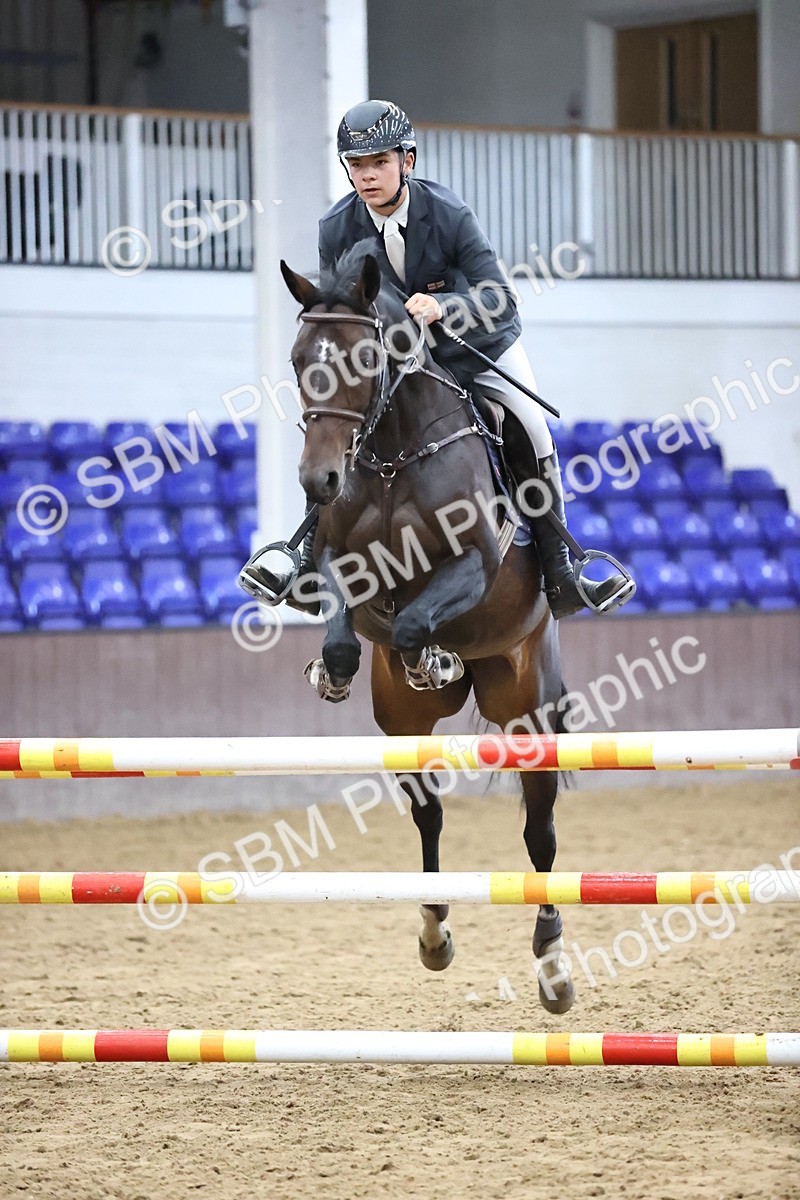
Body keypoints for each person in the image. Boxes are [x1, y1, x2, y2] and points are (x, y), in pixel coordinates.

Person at [243, 99, 634, 620]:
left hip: (474, 346)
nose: (366, 175)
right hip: (397, 359)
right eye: (356, 165)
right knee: (335, 428)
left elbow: (500, 297)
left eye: (379, 162)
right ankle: (307, 562)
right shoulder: (336, 226)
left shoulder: (448, 214)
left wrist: (444, 305)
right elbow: (340, 309)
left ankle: (561, 570)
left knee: (532, 428)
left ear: (407, 161)